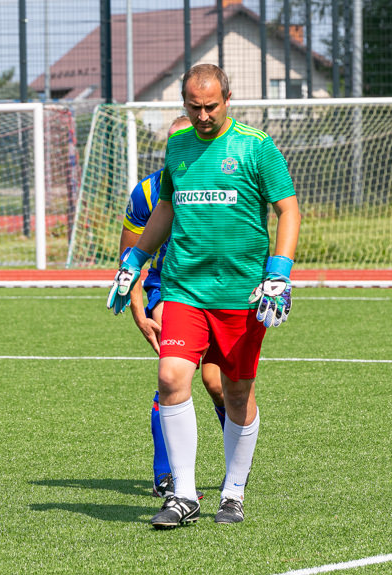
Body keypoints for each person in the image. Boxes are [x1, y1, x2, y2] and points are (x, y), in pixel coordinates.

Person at [108, 63, 300, 529]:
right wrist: (135, 260)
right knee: (172, 376)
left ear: (228, 99)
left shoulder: (257, 147)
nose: (203, 116)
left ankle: (232, 493)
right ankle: (185, 494)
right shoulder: (177, 145)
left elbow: (288, 209)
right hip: (184, 290)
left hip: (241, 293)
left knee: (235, 391)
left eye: (211, 106)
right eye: (194, 107)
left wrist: (279, 271)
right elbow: (168, 207)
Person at [116, 116, 226, 500]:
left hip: (218, 286)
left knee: (216, 383)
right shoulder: (147, 193)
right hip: (170, 288)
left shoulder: (222, 183)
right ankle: (165, 476)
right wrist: (138, 311)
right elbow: (130, 255)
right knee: (172, 376)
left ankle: (236, 469)